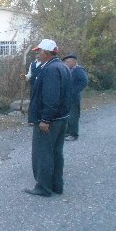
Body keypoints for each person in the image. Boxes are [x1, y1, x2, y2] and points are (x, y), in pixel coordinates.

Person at [24, 39, 71, 197]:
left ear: (45, 53)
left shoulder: (50, 69)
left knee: (43, 153)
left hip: (50, 120)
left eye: (39, 51)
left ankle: (43, 187)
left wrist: (45, 119)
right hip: (61, 118)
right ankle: (57, 185)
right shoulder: (62, 67)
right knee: (56, 152)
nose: (37, 54)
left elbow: (51, 98)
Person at [62, 54, 88, 141]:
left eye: (67, 61)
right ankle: (67, 132)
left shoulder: (78, 70)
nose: (66, 63)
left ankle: (73, 134)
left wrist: (74, 91)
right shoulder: (68, 70)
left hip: (74, 98)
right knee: (66, 116)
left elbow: (84, 82)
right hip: (66, 97)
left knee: (73, 116)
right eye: (65, 62)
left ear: (73, 61)